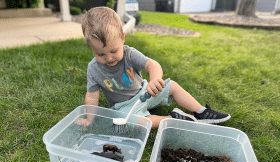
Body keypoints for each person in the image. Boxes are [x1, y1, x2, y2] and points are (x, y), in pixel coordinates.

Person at [77, 7, 231, 128]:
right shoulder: (93, 69)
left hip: (145, 91)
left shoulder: (129, 54)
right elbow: (91, 96)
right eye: (100, 54)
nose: (109, 58)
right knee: (135, 122)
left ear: (122, 37)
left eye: (113, 51)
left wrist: (155, 79)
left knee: (173, 86)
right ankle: (173, 120)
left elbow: (152, 65)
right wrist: (89, 119)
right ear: (92, 48)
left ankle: (201, 112)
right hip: (124, 107)